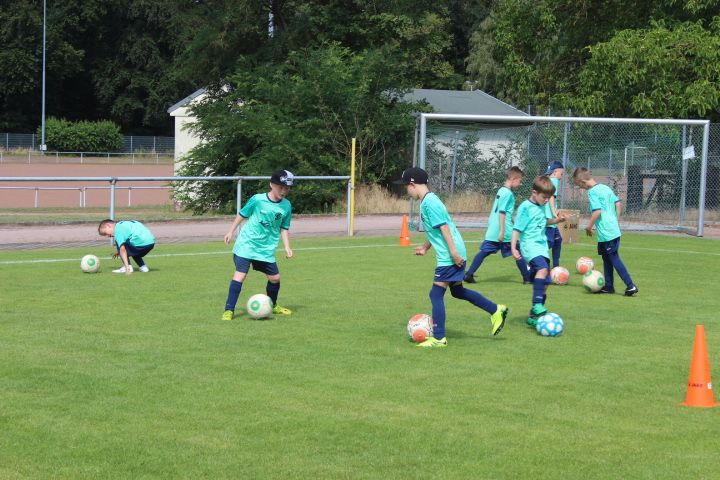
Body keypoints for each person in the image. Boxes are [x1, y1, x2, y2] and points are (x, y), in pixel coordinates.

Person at [397, 167, 508, 348]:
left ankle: (439, 338)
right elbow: (437, 230)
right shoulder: (428, 201)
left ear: (412, 184)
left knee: (435, 294)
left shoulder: (429, 203)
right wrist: (425, 247)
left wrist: (454, 253)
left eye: (406, 187)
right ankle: (496, 310)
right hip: (452, 252)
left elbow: (444, 228)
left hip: (450, 255)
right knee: (457, 291)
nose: (406, 191)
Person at [221, 169, 295, 321]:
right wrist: (230, 231)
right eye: (281, 187)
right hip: (247, 244)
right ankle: (229, 310)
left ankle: (273, 305)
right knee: (240, 275)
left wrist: (287, 246)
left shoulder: (286, 205)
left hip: (266, 248)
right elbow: (242, 214)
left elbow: (284, 228)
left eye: (287, 188)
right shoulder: (257, 199)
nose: (284, 191)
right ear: (271, 185)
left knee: (275, 278)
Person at [572, 167, 638, 296]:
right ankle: (609, 286)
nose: (580, 187)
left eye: (578, 185)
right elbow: (618, 203)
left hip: (607, 232)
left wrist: (589, 227)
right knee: (606, 258)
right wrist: (615, 220)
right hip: (611, 230)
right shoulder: (605, 187)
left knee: (614, 258)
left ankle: (630, 285)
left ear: (582, 181)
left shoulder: (592, 192)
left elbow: (597, 211)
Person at [511, 176, 566, 325]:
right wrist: (513, 247)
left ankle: (533, 316)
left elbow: (544, 221)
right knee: (542, 269)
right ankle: (537, 305)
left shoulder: (541, 205)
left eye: (549, 198)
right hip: (530, 245)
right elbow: (517, 228)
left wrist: (557, 220)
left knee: (545, 283)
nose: (546, 201)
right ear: (534, 192)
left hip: (541, 247)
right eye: (544, 197)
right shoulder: (525, 207)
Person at [464, 166, 530, 284]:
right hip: (504, 231)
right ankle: (527, 278)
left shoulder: (501, 190)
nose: (520, 184)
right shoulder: (508, 193)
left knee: (484, 252)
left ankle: (469, 274)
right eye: (520, 181)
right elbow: (502, 212)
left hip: (494, 229)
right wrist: (502, 231)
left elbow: (503, 211)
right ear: (513, 179)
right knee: (517, 251)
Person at [545, 161, 565, 269]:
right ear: (555, 172)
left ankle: (556, 267)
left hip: (550, 218)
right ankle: (535, 261)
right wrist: (554, 211)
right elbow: (551, 196)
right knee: (549, 242)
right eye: (561, 174)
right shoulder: (554, 180)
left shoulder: (547, 180)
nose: (561, 176)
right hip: (549, 218)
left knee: (557, 240)